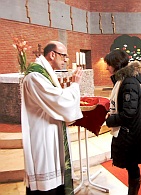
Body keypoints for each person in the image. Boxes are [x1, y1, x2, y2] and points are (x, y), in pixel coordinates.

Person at [22, 41, 83, 195]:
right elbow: (59, 101)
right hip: (42, 135)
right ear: (52, 55)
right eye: (64, 56)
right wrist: (75, 85)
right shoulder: (35, 75)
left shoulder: (45, 73)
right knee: (47, 185)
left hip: (49, 131)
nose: (66, 60)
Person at [104, 50, 141, 195]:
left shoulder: (129, 81)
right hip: (129, 131)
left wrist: (109, 120)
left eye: (108, 65)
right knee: (131, 165)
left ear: (116, 65)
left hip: (131, 133)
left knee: (132, 165)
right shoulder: (122, 80)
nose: (106, 68)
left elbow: (129, 113)